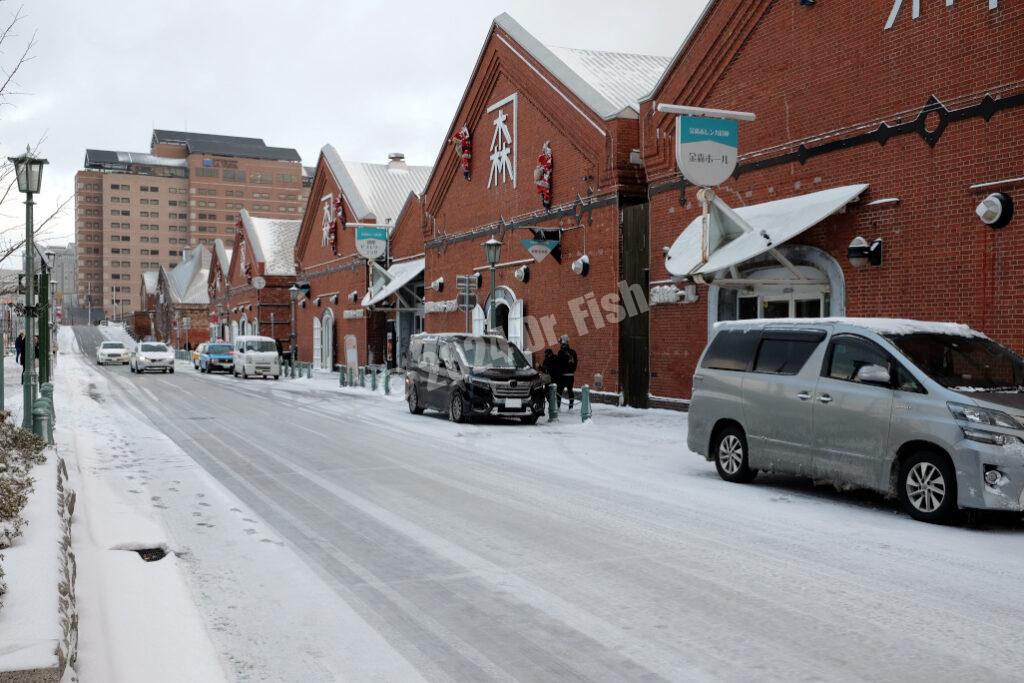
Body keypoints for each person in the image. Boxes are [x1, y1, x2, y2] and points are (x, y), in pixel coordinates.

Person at [556, 335, 578, 410]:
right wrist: (572, 370)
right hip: (571, 375)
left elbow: (558, 364)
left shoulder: (561, 352)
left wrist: (558, 374)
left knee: (559, 391)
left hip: (563, 376)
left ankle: (558, 406)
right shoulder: (573, 352)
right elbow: (575, 363)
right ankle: (571, 407)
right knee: (570, 391)